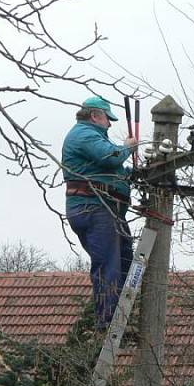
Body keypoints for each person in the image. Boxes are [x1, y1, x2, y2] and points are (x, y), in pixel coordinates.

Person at [62, 95, 138, 329]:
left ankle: (122, 317)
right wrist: (127, 148)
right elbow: (109, 156)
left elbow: (111, 169)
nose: (110, 124)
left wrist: (131, 175)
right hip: (95, 208)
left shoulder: (91, 136)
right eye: (108, 118)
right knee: (109, 264)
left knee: (126, 262)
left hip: (107, 209)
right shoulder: (84, 135)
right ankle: (108, 320)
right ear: (95, 115)